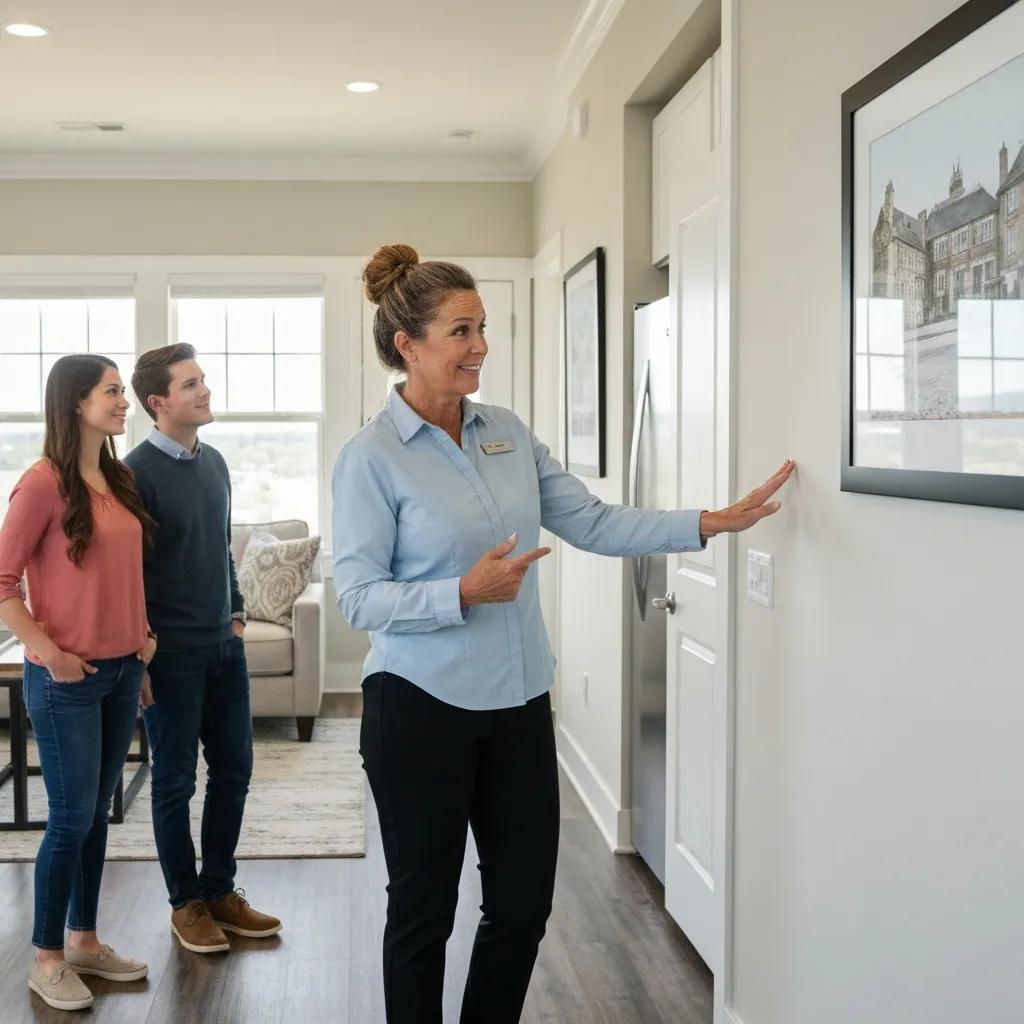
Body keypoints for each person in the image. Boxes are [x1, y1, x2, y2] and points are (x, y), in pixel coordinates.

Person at [332, 243, 796, 1024]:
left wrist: (711, 522)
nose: (480, 346)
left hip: (517, 705)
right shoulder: (370, 457)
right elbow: (358, 596)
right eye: (460, 331)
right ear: (407, 344)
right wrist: (461, 592)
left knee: (519, 910)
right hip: (419, 710)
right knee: (423, 915)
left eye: (483, 327)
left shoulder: (504, 432)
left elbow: (593, 520)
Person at [0, 354, 156, 1012]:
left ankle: (86, 942)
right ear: (76, 404)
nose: (125, 402)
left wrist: (142, 642)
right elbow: (3, 585)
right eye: (113, 392)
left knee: (96, 819)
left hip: (123, 672)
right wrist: (47, 650)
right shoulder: (41, 484)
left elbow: (125, 573)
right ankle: (45, 959)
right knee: (69, 820)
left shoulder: (118, 478)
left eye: (122, 391)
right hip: (65, 679)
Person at [124, 343, 281, 955]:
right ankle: (184, 903)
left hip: (223, 647)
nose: (205, 390)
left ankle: (218, 890)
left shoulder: (214, 461)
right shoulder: (134, 473)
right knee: (174, 783)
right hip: (170, 657)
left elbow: (221, 548)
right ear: (158, 402)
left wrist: (236, 614)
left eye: (203, 380)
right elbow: (127, 573)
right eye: (191, 384)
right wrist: (141, 648)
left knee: (235, 771)